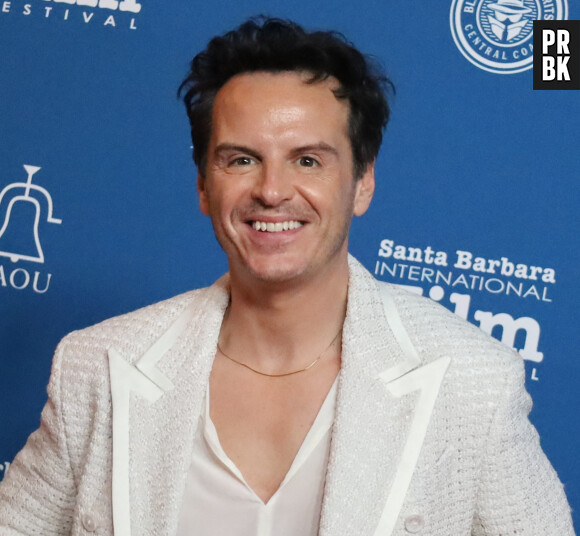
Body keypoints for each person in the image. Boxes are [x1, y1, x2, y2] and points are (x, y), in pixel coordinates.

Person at [0, 16, 574, 536]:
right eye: (241, 159)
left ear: (363, 182)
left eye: (308, 160)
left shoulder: (470, 382)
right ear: (204, 184)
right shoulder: (97, 367)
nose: (272, 191)